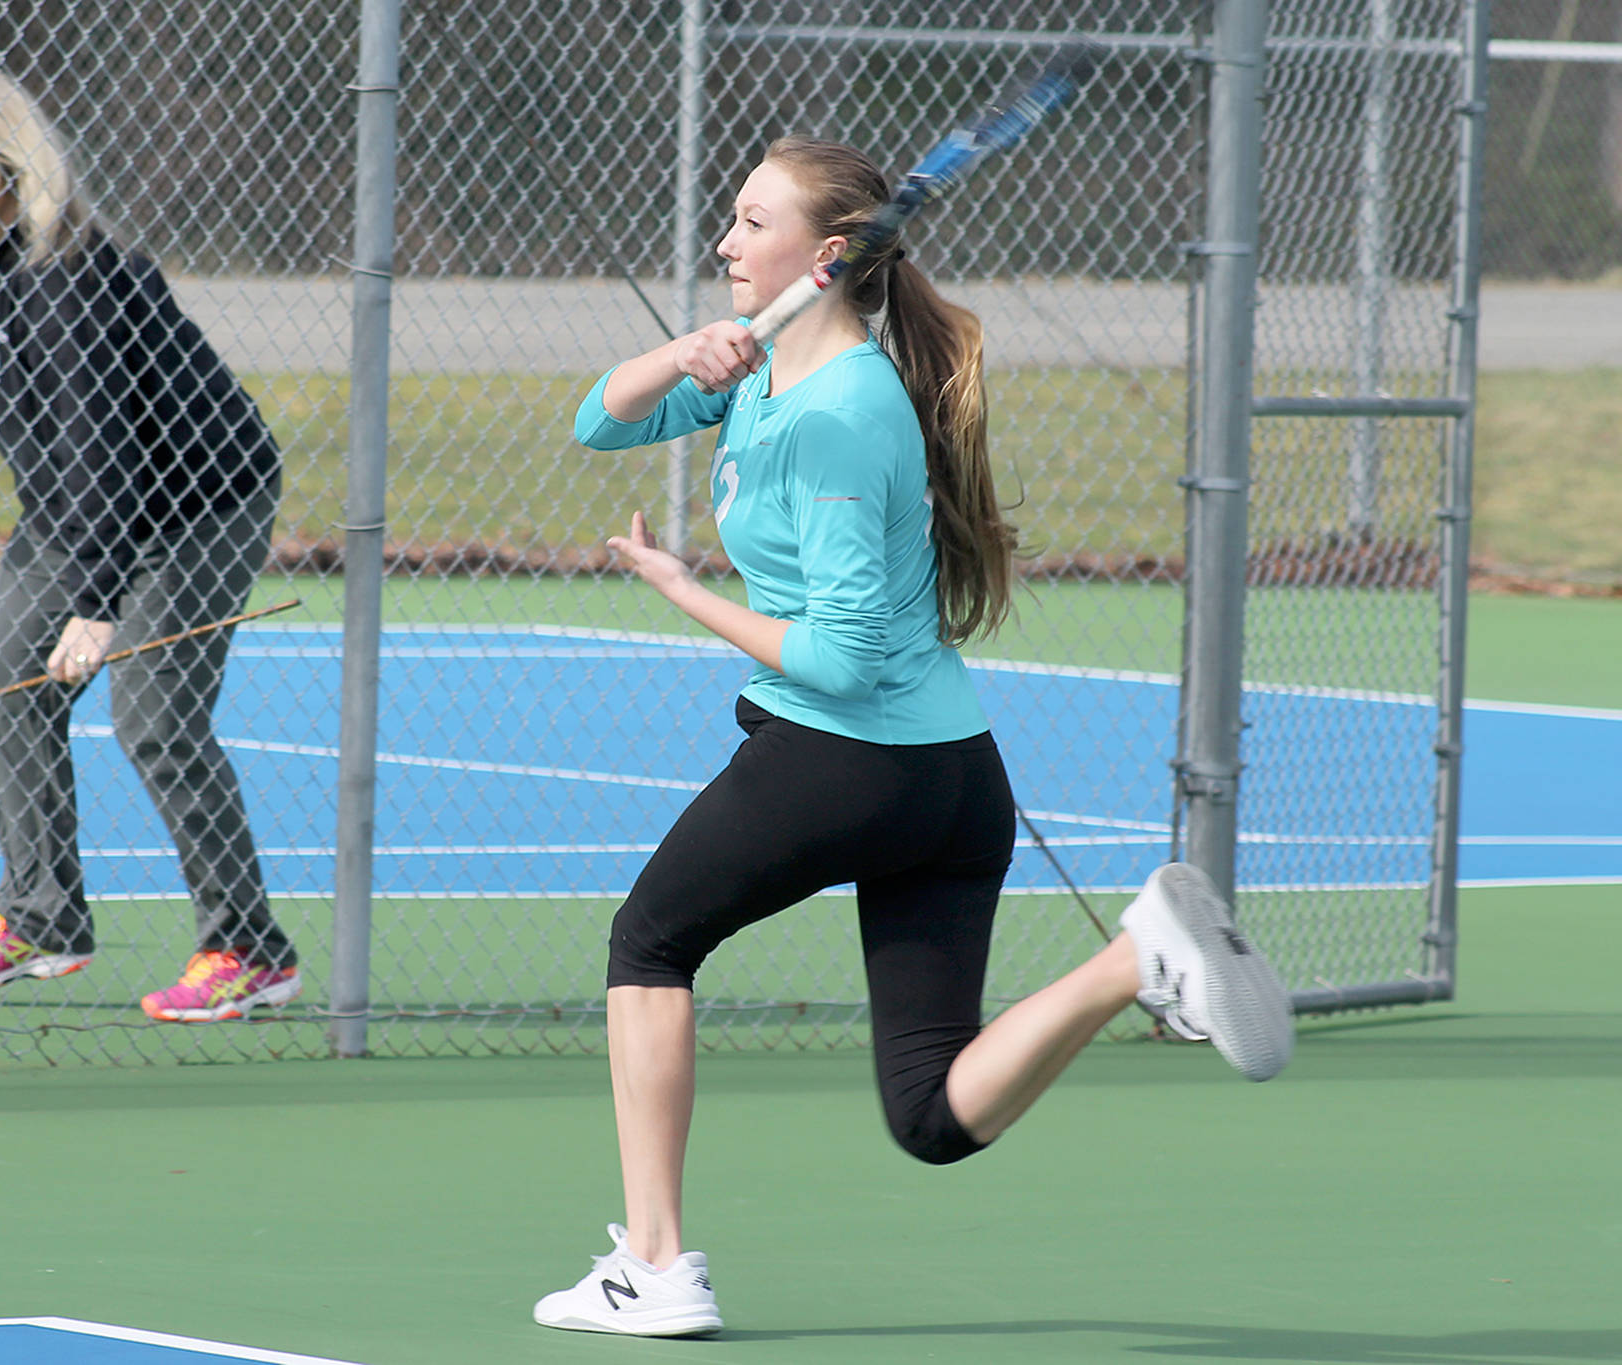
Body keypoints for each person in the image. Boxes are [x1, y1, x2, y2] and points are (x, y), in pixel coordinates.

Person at [532, 137, 1294, 1337]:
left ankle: (657, 1266)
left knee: (649, 944)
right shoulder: (759, 370)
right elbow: (598, 419)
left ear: (823, 254)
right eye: (728, 222)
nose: (723, 244)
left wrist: (681, 590)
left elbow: (835, 662)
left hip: (845, 764)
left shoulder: (841, 413)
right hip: (953, 784)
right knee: (932, 1119)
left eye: (748, 223)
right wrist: (679, 353)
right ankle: (1133, 955)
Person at [0, 69, 301, 1022]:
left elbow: (104, 446)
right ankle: (41, 914)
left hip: (194, 502)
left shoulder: (75, 276)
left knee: (155, 718)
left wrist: (97, 606)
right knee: (2, 678)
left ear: (12, 168)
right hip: (80, 510)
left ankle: (248, 947)